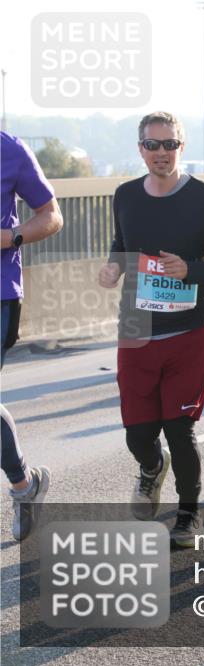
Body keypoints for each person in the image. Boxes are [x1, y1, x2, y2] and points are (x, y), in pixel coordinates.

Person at [98, 111, 204, 546]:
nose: (161, 153)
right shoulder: (124, 195)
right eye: (152, 145)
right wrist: (112, 267)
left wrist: (191, 271)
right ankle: (150, 467)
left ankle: (189, 514)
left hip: (190, 329)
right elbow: (122, 245)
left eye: (170, 144)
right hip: (137, 326)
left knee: (179, 427)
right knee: (139, 433)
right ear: (140, 148)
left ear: (182, 147)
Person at [1, 131, 64, 541]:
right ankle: (25, 485)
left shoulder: (9, 148)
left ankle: (23, 485)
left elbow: (51, 215)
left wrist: (10, 237)